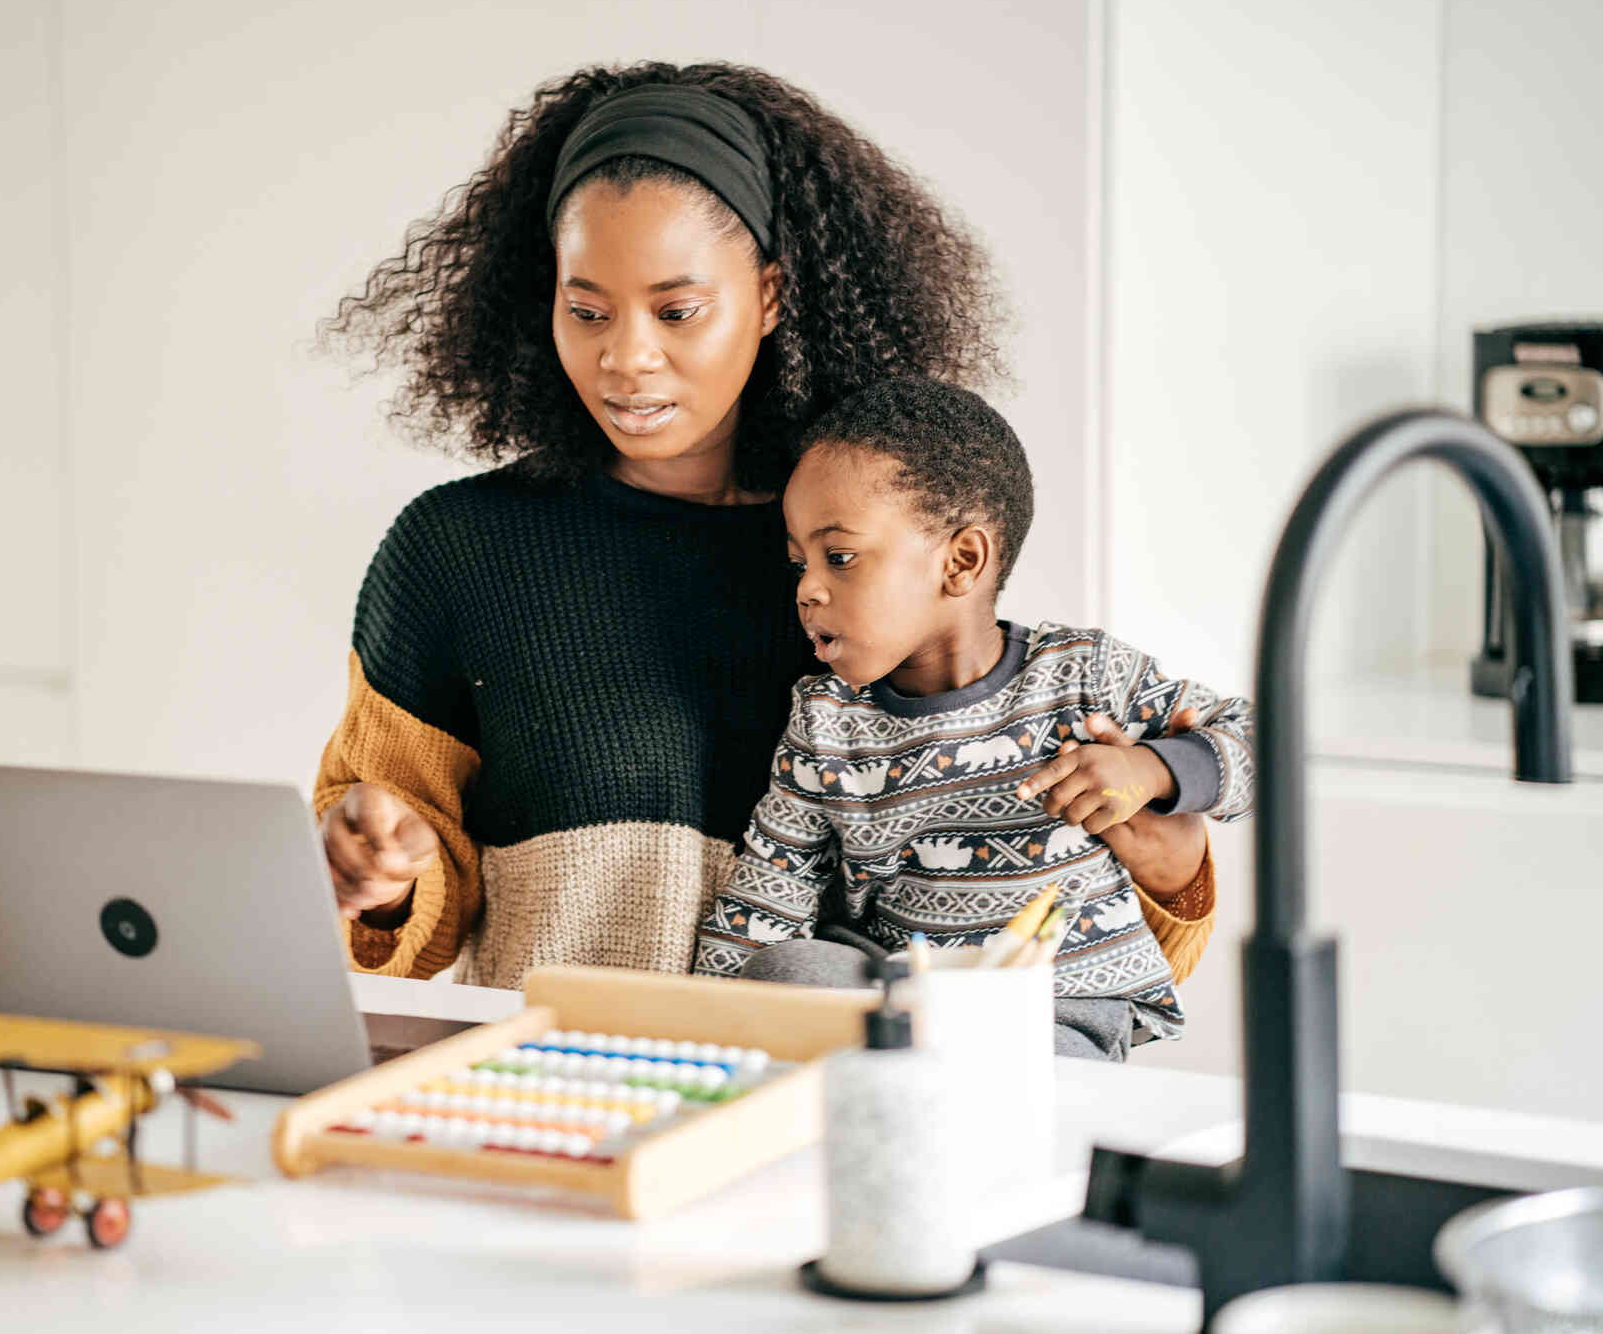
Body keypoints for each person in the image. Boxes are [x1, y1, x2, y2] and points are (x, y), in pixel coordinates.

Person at [314, 61, 1214, 991]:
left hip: (827, 1109)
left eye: (678, 310)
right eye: (585, 310)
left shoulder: (869, 552)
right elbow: (395, 920)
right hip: (559, 1100)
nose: (625, 357)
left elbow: (1040, 912)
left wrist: (1168, 866)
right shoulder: (455, 549)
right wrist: (375, 872)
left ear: (773, 298)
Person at [695, 377, 1252, 1056]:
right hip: (907, 992)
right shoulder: (824, 721)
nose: (809, 589)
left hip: (1055, 1003)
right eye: (800, 564)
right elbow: (770, 886)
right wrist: (702, 1031)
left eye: (839, 558)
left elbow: (1263, 739)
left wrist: (1155, 770)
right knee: (788, 969)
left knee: (1041, 1072)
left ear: (962, 561)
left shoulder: (1085, 675)